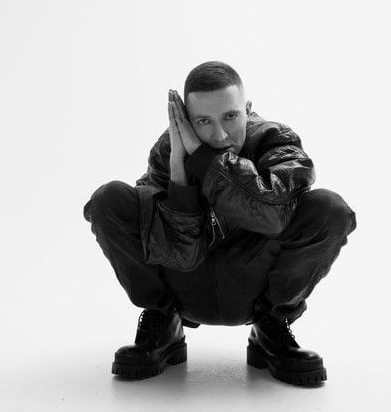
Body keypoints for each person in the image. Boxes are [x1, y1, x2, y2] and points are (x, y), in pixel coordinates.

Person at [83, 61, 357, 386]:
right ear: (187, 122)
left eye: (230, 116)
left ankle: (271, 327)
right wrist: (179, 175)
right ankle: (163, 321)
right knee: (109, 200)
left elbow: (272, 216)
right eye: (203, 121)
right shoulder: (168, 151)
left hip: (254, 281)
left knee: (329, 208)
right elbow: (178, 254)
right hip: (186, 281)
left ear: (248, 110)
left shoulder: (277, 141)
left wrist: (203, 159)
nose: (220, 135)